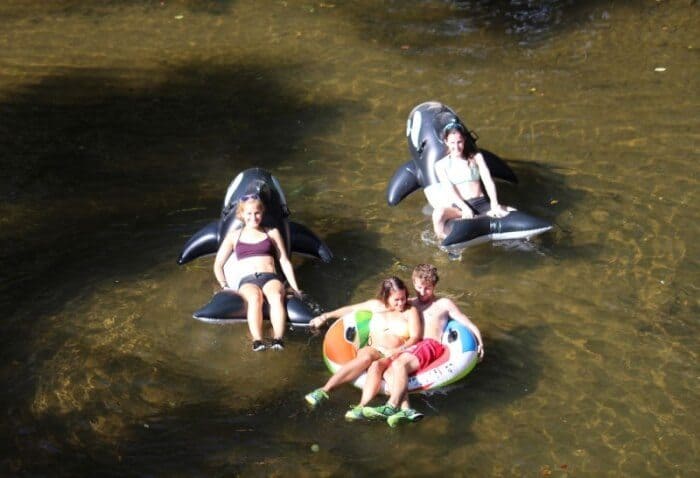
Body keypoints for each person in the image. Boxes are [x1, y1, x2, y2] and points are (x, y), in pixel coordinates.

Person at [361, 264, 484, 427]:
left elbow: (467, 323)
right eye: (419, 287)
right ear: (413, 283)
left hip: (429, 346)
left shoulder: (443, 304)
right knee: (388, 369)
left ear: (434, 286)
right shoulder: (409, 303)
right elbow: (380, 307)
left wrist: (480, 343)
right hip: (412, 348)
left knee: (398, 364)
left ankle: (391, 406)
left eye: (427, 288)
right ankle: (407, 411)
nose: (422, 292)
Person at [304, 277, 422, 420]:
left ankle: (361, 407)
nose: (401, 303)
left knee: (378, 367)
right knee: (366, 358)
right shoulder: (376, 306)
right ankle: (323, 391)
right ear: (386, 297)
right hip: (373, 348)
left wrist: (396, 351)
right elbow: (350, 309)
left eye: (403, 298)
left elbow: (415, 337)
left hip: (395, 353)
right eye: (396, 300)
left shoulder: (410, 311)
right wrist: (325, 316)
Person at [213, 194, 301, 352]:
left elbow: (284, 261)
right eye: (249, 213)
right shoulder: (234, 237)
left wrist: (295, 287)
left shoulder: (271, 233)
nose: (253, 217)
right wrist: (224, 286)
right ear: (241, 214)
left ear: (262, 212)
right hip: (247, 281)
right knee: (254, 298)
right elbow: (218, 265)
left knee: (275, 296)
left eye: (257, 213)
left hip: (270, 277)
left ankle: (278, 339)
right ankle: (258, 340)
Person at [428, 121, 510, 239]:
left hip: (482, 203)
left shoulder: (476, 158)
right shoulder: (441, 165)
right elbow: (449, 190)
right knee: (438, 214)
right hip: (459, 208)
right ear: (446, 142)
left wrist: (494, 203)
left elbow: (488, 181)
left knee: (513, 211)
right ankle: (447, 243)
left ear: (464, 140)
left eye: (459, 142)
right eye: (452, 142)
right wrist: (465, 208)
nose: (456, 147)